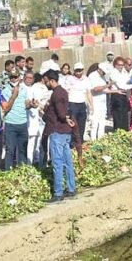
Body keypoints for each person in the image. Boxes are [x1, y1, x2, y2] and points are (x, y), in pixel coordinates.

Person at [43, 70, 76, 203]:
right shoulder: (63, 91)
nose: (45, 83)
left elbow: (61, 114)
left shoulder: (56, 94)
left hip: (58, 131)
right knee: (67, 162)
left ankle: (58, 192)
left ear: (51, 81)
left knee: (57, 162)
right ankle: (71, 188)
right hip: (66, 132)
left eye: (46, 81)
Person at [1, 70, 29, 168]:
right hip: (10, 124)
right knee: (10, 150)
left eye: (15, 77)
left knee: (22, 150)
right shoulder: (5, 91)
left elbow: (26, 104)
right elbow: (6, 108)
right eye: (12, 77)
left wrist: (32, 104)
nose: (14, 79)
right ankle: (8, 172)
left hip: (22, 123)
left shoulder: (24, 89)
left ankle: (22, 171)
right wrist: (14, 95)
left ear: (19, 77)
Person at [63, 63, 91, 143]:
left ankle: (80, 142)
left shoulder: (86, 79)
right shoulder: (69, 79)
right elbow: (66, 91)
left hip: (82, 103)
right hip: (72, 103)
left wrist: (91, 105)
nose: (78, 73)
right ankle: (71, 143)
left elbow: (88, 92)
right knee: (73, 124)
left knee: (82, 124)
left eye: (80, 71)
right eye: (77, 71)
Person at [27, 73, 50, 166]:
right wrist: (42, 109)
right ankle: (33, 162)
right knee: (35, 141)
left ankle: (37, 161)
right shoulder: (35, 88)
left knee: (39, 140)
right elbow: (36, 102)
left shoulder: (42, 88)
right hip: (36, 117)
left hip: (41, 117)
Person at [108, 57, 132, 131]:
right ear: (115, 65)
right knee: (118, 116)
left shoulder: (122, 72)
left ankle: (124, 131)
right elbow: (121, 85)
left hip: (123, 94)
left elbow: (127, 81)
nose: (121, 67)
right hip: (116, 95)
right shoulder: (113, 72)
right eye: (119, 65)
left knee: (124, 114)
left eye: (122, 65)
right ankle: (118, 131)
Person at [88, 63, 112, 141]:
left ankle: (101, 139)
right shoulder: (92, 76)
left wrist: (117, 91)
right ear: (100, 69)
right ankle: (93, 139)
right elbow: (95, 89)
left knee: (102, 122)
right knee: (95, 122)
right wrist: (107, 85)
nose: (104, 73)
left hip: (102, 102)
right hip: (95, 101)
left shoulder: (103, 77)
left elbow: (105, 90)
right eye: (103, 72)